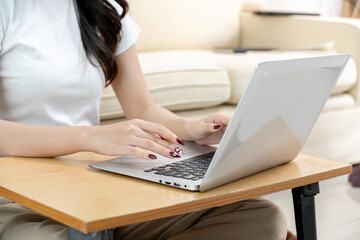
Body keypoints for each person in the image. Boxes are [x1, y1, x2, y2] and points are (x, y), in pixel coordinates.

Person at [0, 0, 290, 239]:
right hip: (17, 199)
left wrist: (191, 128)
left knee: (261, 216)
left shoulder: (104, 10)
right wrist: (88, 136)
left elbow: (142, 109)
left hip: (90, 193)